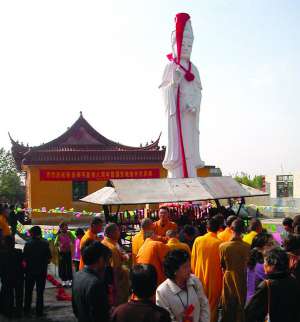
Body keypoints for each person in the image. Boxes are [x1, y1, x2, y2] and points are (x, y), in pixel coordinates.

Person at [245, 248, 300, 322]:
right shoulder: (294, 281)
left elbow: (250, 312)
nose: (264, 265)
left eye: (265, 262)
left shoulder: (267, 285)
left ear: (272, 265)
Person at [156, 249, 210, 322]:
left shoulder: (195, 281)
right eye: (185, 267)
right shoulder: (162, 291)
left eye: (189, 265)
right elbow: (167, 319)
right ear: (174, 271)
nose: (189, 269)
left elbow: (204, 305)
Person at [191, 217, 222, 322]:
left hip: (199, 278)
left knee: (200, 306)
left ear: (206, 228)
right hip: (215, 281)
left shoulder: (198, 240)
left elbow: (193, 261)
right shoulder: (220, 243)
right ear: (218, 229)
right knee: (212, 307)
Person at [72, 240, 112, 322]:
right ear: (101, 260)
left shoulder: (77, 275)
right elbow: (101, 316)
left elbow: (75, 309)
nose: (107, 265)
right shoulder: (95, 284)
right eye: (107, 260)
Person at [219, 218, 250, 322]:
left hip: (228, 277)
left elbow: (222, 265)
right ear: (243, 230)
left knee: (227, 304)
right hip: (242, 277)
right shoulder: (247, 246)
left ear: (231, 229)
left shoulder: (223, 246)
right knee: (240, 303)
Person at [23, 225, 52, 317]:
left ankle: (27, 310)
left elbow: (24, 258)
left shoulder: (28, 244)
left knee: (28, 292)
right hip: (41, 272)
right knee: (40, 293)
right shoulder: (45, 243)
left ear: (32, 234)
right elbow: (49, 259)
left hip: (30, 272)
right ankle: (39, 312)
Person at [102, 223, 130, 305]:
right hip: (117, 283)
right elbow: (115, 269)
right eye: (118, 230)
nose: (120, 232)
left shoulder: (109, 242)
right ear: (112, 233)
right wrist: (117, 288)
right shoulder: (111, 248)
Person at [246, 232, 275, 303]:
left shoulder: (254, 262)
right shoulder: (261, 266)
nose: (273, 247)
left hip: (252, 302)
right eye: (269, 245)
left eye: (273, 244)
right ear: (258, 249)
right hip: (258, 304)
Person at [0, 235, 24, 318]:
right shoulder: (19, 252)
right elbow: (22, 265)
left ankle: (8, 312)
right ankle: (18, 312)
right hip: (18, 277)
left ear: (5, 243)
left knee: (8, 295)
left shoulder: (2, 253)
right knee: (19, 296)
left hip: (6, 278)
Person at [54, 221, 75, 287]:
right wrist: (59, 244)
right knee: (62, 267)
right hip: (61, 253)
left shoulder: (69, 233)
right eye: (66, 226)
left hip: (68, 252)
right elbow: (55, 244)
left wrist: (71, 242)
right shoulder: (59, 235)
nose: (67, 227)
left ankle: (70, 280)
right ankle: (64, 281)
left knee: (69, 266)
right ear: (62, 227)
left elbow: (74, 239)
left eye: (67, 226)